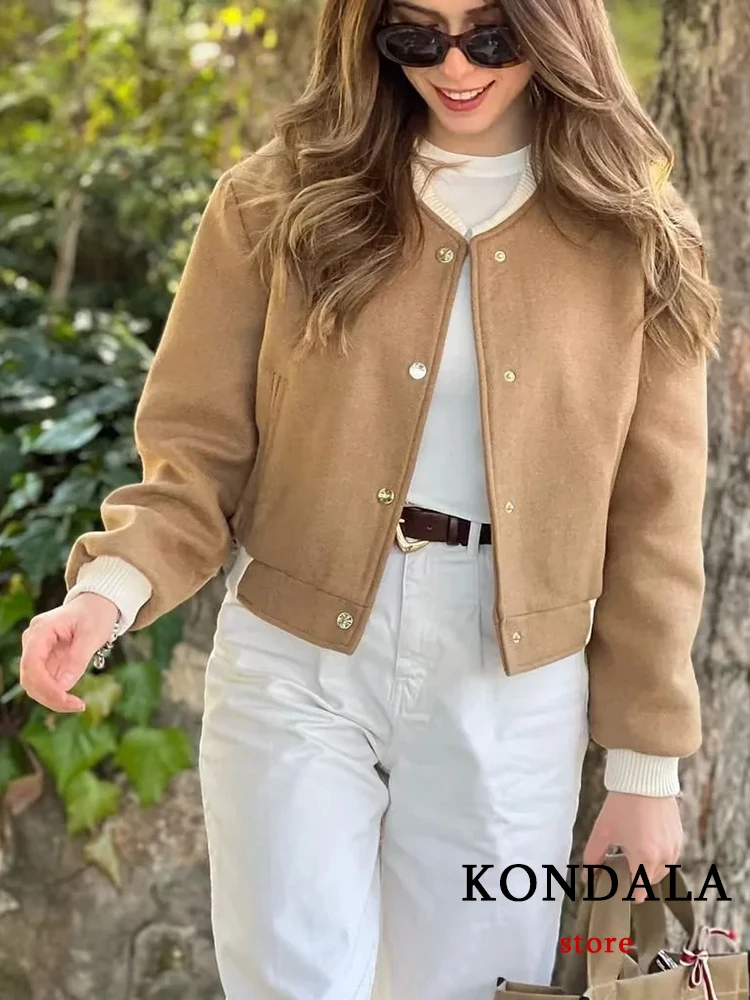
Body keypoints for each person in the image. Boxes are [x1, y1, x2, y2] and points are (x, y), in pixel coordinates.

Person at [19, 0, 720, 996]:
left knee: (476, 986)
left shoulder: (638, 234)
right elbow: (195, 450)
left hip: (510, 687)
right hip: (295, 659)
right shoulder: (276, 200)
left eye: (491, 36)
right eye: (415, 36)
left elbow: (655, 521)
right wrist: (107, 592)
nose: (454, 67)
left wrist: (647, 771)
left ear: (555, 28)